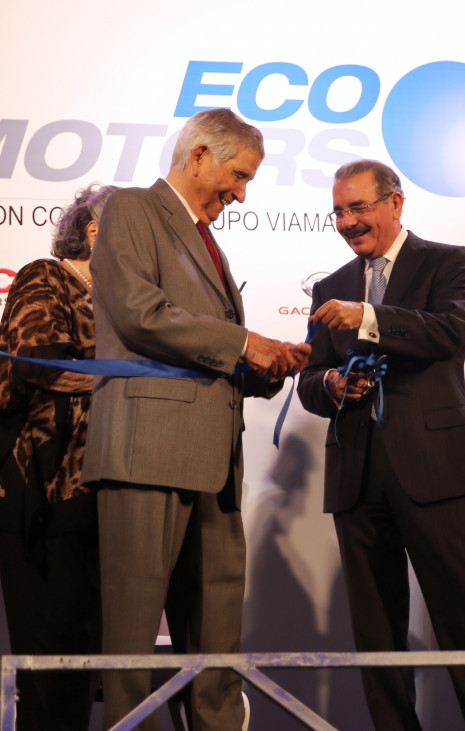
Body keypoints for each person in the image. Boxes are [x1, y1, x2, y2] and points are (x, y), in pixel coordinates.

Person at [83, 107, 308, 730]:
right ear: (200, 155)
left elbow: (205, 351)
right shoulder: (132, 209)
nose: (242, 194)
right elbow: (140, 315)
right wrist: (245, 343)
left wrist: (264, 367)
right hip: (145, 454)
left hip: (214, 465)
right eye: (239, 175)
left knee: (217, 646)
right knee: (131, 642)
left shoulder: (208, 240)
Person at [297, 159, 465, 731]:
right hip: (356, 476)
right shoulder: (329, 287)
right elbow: (309, 381)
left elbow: (447, 331)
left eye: (359, 207)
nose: (348, 222)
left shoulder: (447, 262)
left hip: (435, 469)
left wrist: (368, 317)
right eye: (339, 212)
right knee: (376, 636)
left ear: (395, 203)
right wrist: (332, 383)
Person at [0, 183, 117, 731]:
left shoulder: (123, 296)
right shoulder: (46, 276)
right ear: (95, 232)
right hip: (40, 483)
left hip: (95, 484)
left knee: (83, 647)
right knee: (49, 647)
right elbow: (42, 364)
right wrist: (130, 379)